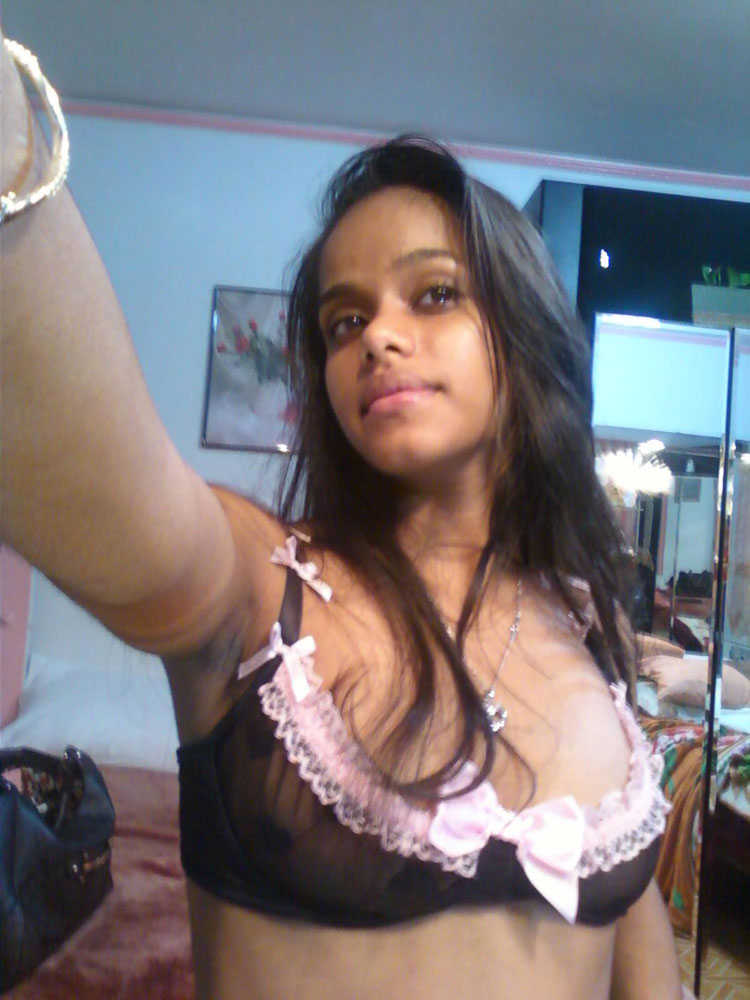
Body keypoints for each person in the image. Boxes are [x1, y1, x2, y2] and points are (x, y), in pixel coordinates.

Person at [1, 34, 685, 1000]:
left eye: (434, 293)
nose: (379, 337)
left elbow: (638, 956)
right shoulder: (259, 590)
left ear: (523, 333)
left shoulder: (588, 622)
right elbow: (106, 481)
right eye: (344, 321)